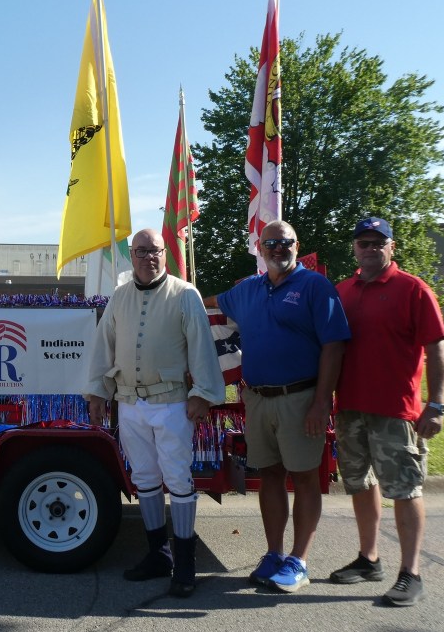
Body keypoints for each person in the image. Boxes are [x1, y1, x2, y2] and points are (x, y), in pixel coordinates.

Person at [205, 220, 350, 593]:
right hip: (257, 399)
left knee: (304, 478)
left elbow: (334, 345)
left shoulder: (315, 287)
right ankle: (274, 554)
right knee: (268, 476)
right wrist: (167, 292)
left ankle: (298, 561)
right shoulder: (247, 290)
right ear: (260, 247)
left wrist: (322, 402)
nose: (277, 248)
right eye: (270, 243)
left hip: (301, 399)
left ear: (296, 245)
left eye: (284, 242)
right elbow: (206, 303)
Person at [85, 229, 226, 597]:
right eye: (141, 251)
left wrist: (204, 394)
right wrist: (98, 391)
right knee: (145, 478)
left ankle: (186, 563)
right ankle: (158, 554)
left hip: (172, 404)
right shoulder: (119, 297)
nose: (149, 257)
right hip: (130, 405)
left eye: (155, 251)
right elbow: (104, 346)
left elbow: (201, 347)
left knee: (178, 479)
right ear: (131, 255)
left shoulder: (185, 294)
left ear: (166, 254)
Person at [329, 217, 444, 607]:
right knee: (360, 485)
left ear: (391, 247)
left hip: (397, 411)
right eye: (363, 242)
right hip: (350, 407)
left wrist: (436, 404)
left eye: (378, 243)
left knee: (404, 488)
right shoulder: (342, 291)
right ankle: (369, 559)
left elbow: (437, 350)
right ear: (355, 247)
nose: (370, 248)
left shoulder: (413, 289)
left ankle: (410, 573)